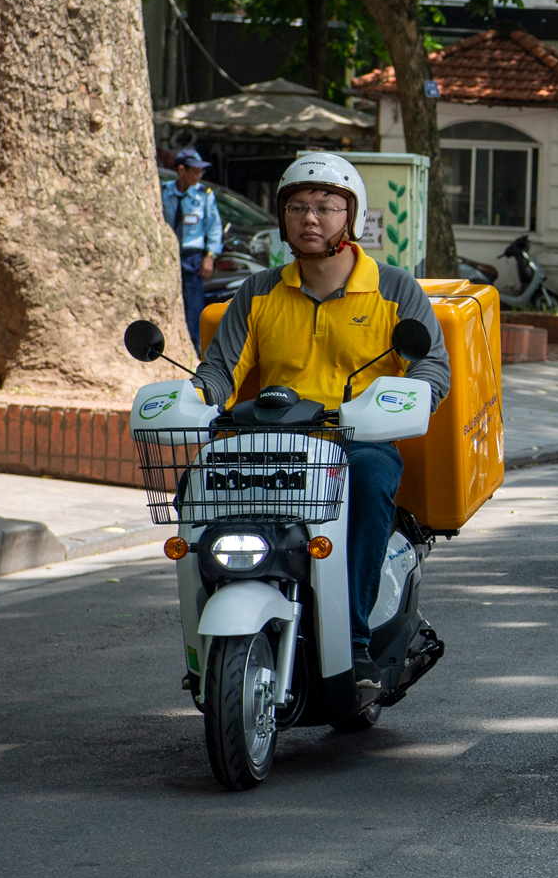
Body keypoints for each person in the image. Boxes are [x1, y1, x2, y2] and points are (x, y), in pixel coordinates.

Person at [192, 153, 451, 690]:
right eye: (298, 207)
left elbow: (432, 369)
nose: (311, 218)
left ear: (349, 218)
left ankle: (354, 641)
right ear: (283, 218)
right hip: (271, 439)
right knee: (193, 489)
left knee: (375, 476)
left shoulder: (395, 288)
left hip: (354, 440)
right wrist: (194, 396)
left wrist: (400, 401)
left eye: (327, 207)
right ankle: (209, 640)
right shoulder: (258, 290)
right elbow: (220, 370)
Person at [161, 148, 223, 348]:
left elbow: (214, 227)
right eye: (194, 171)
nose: (199, 176)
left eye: (201, 172)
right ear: (181, 170)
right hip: (166, 257)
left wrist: (210, 256)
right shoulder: (163, 191)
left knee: (192, 309)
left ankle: (193, 350)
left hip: (192, 257)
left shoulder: (204, 195)